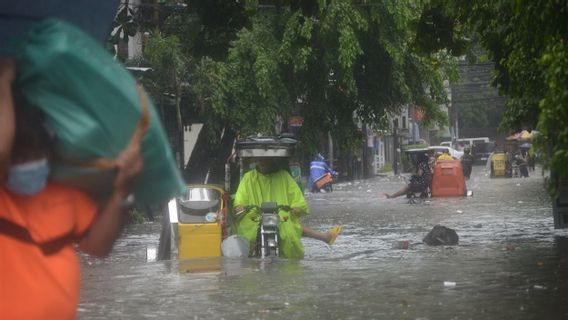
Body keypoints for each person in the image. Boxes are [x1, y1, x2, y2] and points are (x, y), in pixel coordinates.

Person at [0, 57, 144, 319]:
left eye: (35, 153)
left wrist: (124, 191)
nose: (29, 163)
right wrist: (3, 81)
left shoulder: (65, 192)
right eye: (20, 156)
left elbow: (98, 246)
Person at [233, 157, 342, 259]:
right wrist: (239, 206)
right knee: (246, 238)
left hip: (280, 215)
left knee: (289, 227)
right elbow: (240, 198)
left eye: (266, 158)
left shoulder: (284, 176)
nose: (263, 161)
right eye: (261, 158)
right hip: (254, 216)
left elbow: (296, 197)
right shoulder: (248, 177)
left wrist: (297, 207)